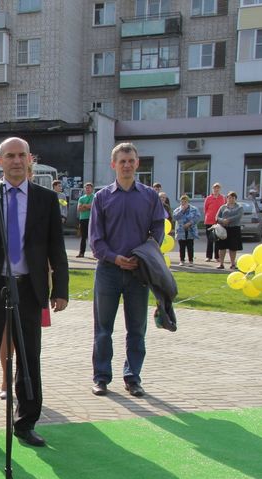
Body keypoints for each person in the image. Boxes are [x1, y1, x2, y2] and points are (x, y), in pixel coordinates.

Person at [0, 137, 69, 447]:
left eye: (22, 155)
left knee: (30, 358)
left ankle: (25, 423)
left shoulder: (45, 199)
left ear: (29, 159)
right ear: (0, 160)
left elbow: (57, 249)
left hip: (29, 290)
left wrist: (60, 289)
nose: (17, 161)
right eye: (10, 156)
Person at [89, 142, 165, 398]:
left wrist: (143, 255)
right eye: (122, 161)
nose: (127, 165)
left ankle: (133, 378)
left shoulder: (149, 196)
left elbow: (157, 229)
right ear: (113, 165)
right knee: (103, 329)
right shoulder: (102, 197)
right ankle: (101, 377)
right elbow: (95, 239)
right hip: (108, 271)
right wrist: (115, 257)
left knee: (136, 329)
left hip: (137, 272)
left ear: (137, 163)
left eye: (131, 160)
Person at [215, 191, 244, 270]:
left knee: (233, 247)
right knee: (222, 247)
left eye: (233, 198)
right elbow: (217, 217)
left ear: (235, 199)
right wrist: (222, 220)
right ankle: (221, 264)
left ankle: (233, 264)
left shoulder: (239, 207)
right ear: (227, 198)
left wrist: (228, 220)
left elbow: (238, 216)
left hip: (234, 229)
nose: (231, 199)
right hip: (223, 229)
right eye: (229, 197)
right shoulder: (223, 207)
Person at [173, 195, 201, 265]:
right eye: (182, 202)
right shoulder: (177, 210)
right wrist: (182, 210)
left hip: (190, 231)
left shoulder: (194, 209)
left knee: (190, 246)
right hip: (181, 231)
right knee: (182, 247)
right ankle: (182, 260)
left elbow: (197, 217)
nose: (183, 203)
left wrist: (190, 223)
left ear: (188, 202)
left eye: (185, 202)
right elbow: (175, 217)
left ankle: (191, 261)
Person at [203, 183, 226, 262]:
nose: (216, 190)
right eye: (215, 188)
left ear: (220, 189)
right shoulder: (208, 198)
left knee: (217, 239)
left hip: (219, 221)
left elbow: (224, 209)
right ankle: (208, 256)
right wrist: (208, 217)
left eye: (218, 188)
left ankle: (217, 256)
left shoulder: (222, 198)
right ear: (213, 189)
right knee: (210, 239)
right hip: (209, 221)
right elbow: (205, 209)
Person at [76, 182, 94, 258]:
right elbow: (79, 209)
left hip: (92, 218)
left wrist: (84, 206)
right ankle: (81, 253)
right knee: (83, 237)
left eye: (89, 188)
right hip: (83, 219)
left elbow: (92, 206)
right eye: (86, 188)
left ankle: (95, 253)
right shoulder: (81, 198)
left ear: (92, 189)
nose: (87, 189)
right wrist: (87, 206)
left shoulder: (94, 197)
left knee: (93, 237)